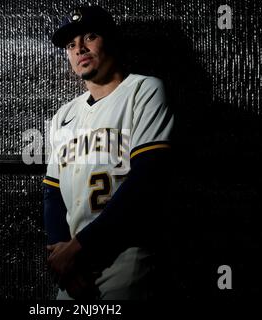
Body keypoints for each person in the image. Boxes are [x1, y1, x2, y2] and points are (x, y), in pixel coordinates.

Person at [43, 5, 174, 300]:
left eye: (90, 36)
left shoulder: (144, 90)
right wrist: (63, 256)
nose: (80, 49)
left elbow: (146, 181)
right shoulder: (64, 115)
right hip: (74, 267)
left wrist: (79, 248)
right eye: (71, 44)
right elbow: (52, 192)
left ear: (111, 40)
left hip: (127, 257)